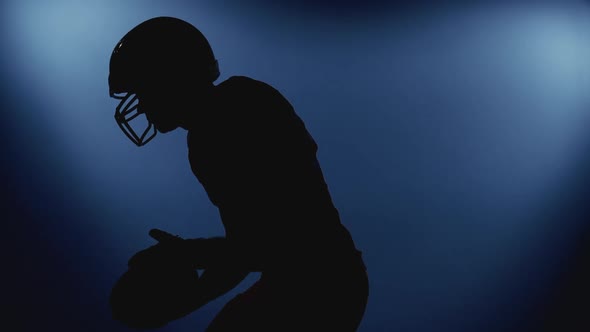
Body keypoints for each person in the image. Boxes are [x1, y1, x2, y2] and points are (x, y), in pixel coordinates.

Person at [107, 16, 368, 331]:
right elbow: (249, 250)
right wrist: (183, 299)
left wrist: (189, 256)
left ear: (170, 78)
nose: (143, 106)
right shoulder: (214, 126)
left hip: (319, 283)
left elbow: (265, 245)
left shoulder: (236, 112)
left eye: (144, 90)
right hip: (310, 279)